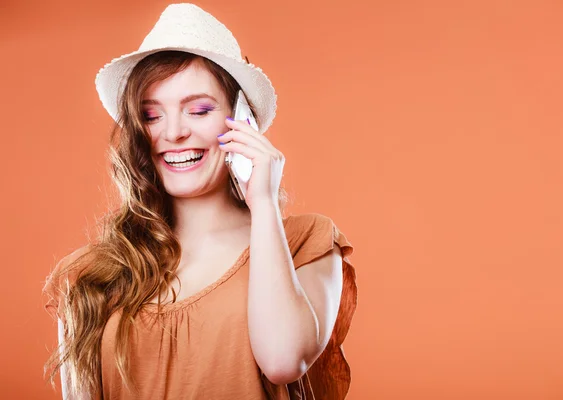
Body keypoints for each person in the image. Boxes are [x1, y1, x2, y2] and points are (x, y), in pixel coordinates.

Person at [42, 3, 357, 399]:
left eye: (199, 109)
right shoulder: (88, 276)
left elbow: (282, 360)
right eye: (151, 115)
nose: (173, 133)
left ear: (243, 119)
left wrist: (263, 203)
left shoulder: (304, 242)